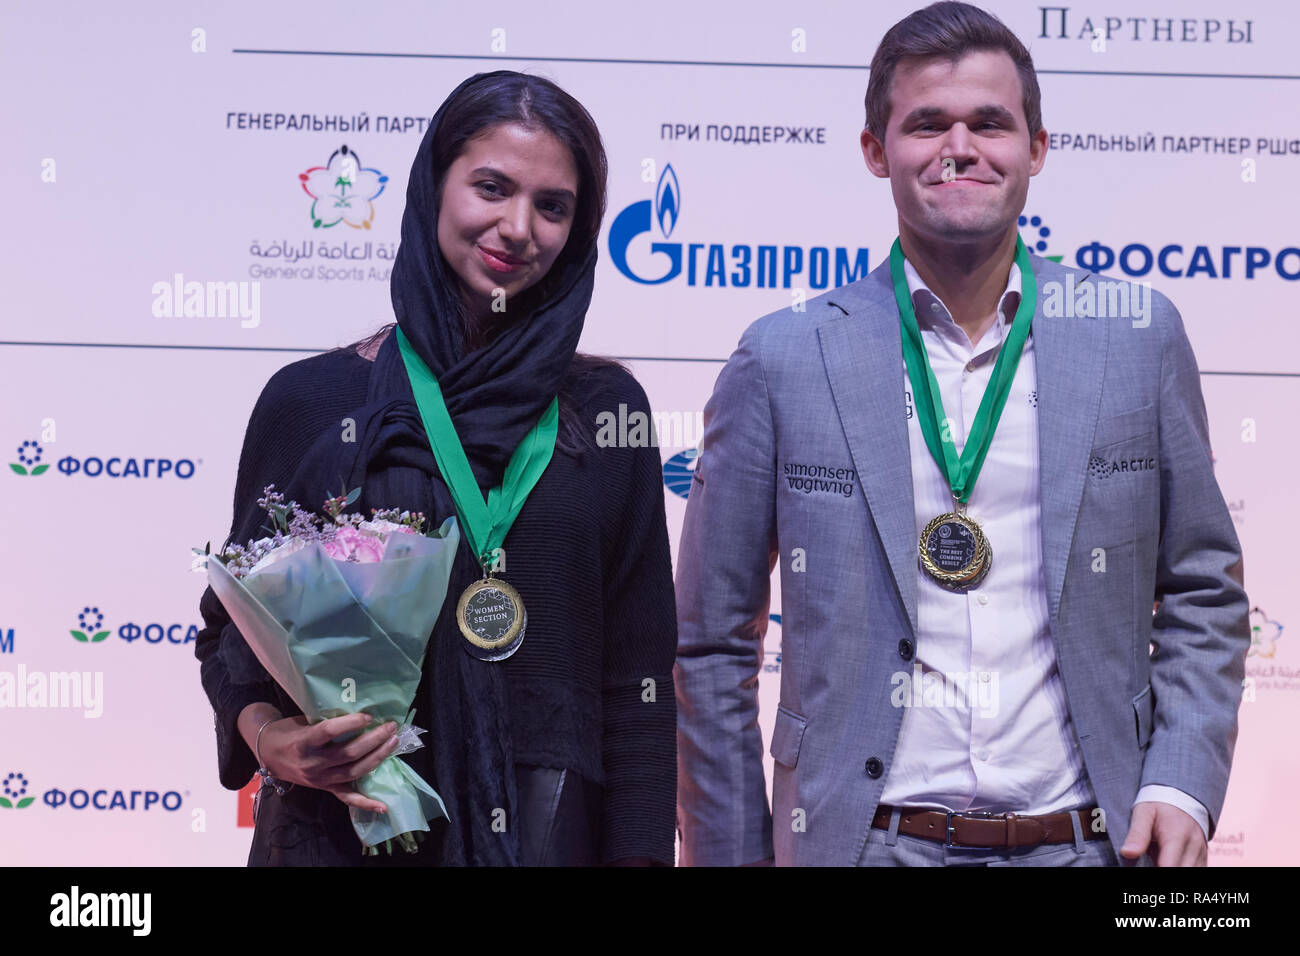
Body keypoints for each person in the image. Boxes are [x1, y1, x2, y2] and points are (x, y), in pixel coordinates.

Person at [674, 1, 1249, 867]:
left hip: (1094, 844)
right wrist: (729, 855)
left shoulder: (1136, 336)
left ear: (1037, 147)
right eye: (926, 124)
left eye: (990, 123)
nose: (960, 147)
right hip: (861, 844)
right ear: (877, 151)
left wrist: (1180, 781)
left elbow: (1205, 590)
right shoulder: (784, 355)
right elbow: (712, 642)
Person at [196, 70, 677, 866]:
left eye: (553, 206)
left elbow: (637, 691)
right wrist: (271, 737)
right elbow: (232, 633)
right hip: (339, 831)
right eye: (491, 186)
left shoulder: (606, 412)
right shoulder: (314, 402)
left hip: (549, 836)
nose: (519, 226)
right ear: (433, 186)